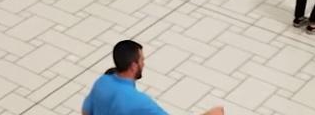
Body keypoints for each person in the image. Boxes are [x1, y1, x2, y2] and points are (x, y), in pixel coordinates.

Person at [82, 40, 224, 115]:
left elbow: (86, 111)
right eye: (142, 60)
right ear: (133, 66)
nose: (144, 63)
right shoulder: (139, 102)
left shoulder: (102, 82)